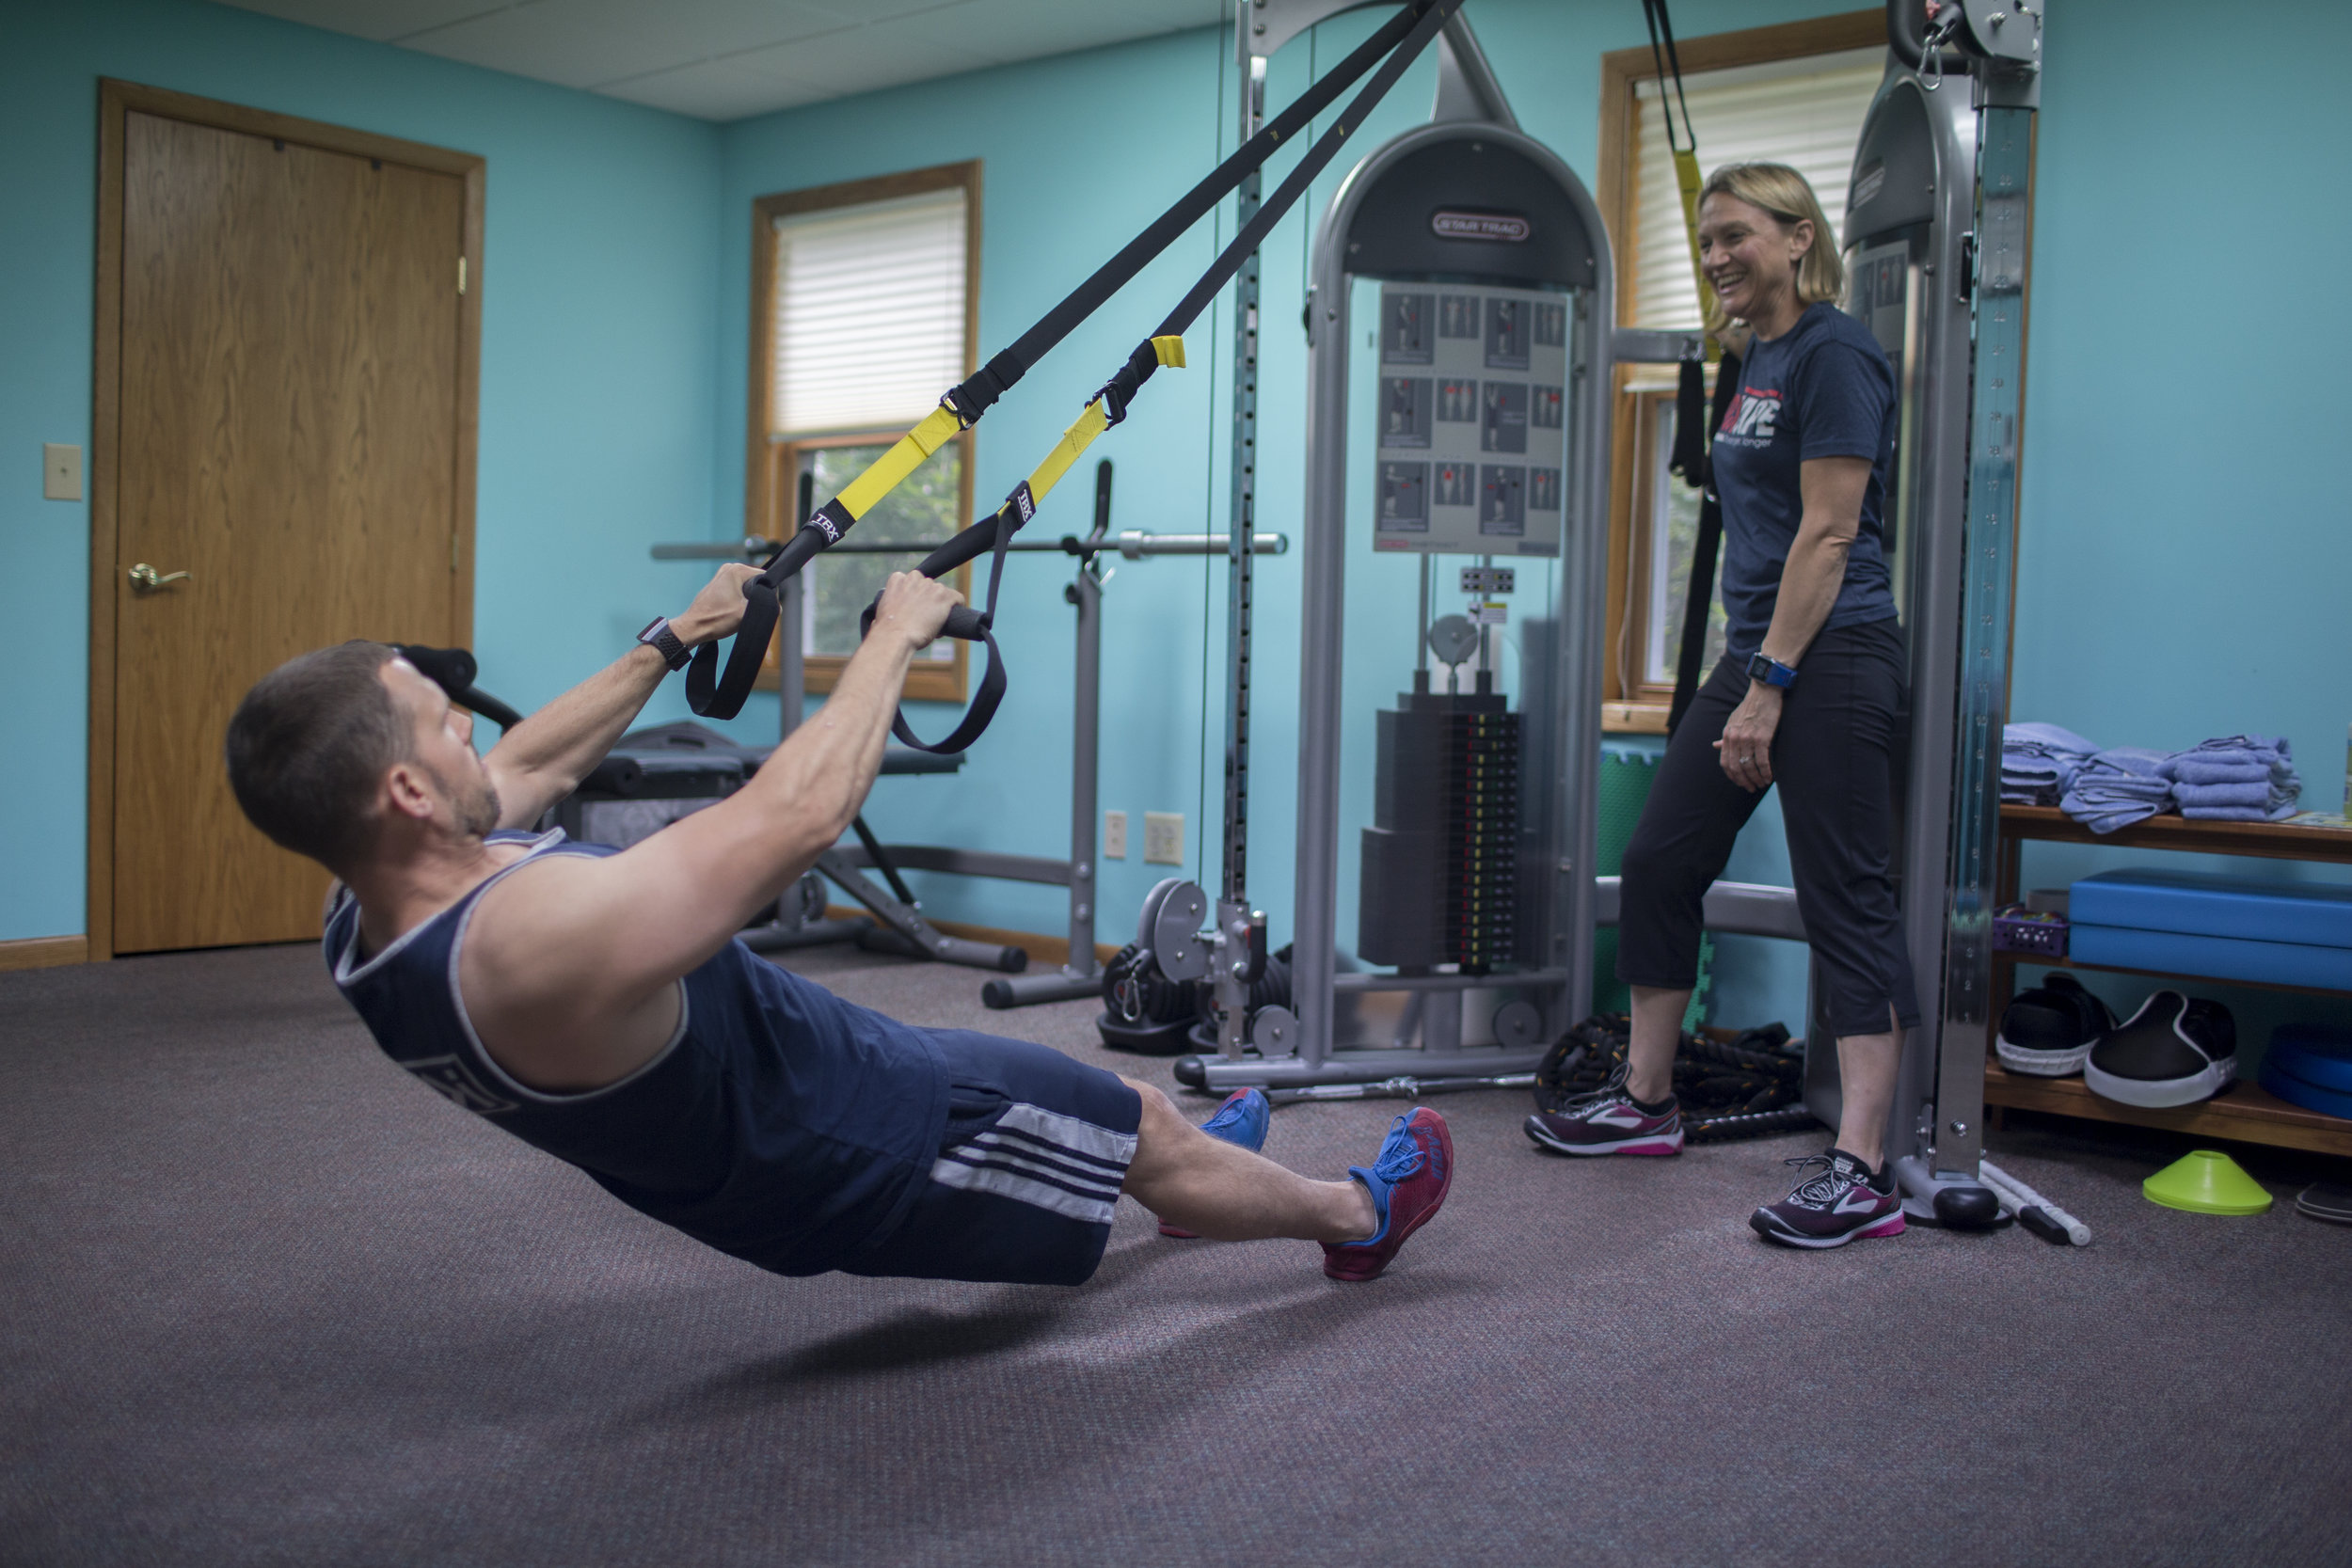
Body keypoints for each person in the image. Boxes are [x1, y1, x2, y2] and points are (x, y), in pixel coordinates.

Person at [223, 565, 1452, 1288]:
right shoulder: (527, 946)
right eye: (441, 723)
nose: (470, 731)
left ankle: (1183, 1176)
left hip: (798, 1075)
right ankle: (1354, 1217)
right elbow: (796, 815)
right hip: (856, 1140)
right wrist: (892, 636)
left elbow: (529, 763)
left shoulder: (369, 906)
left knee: (1111, 1109)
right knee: (1130, 1119)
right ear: (407, 791)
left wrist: (672, 639)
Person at [1524, 162, 1918, 1249]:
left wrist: (1770, 685)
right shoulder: (1755, 355)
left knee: (1846, 898)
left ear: (1797, 238)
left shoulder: (1834, 353)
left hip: (1830, 656)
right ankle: (1647, 1100)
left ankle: (1864, 1168)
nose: (1714, 258)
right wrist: (1748, 673)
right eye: (1703, 241)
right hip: (1755, 654)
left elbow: (1828, 534)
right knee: (1660, 860)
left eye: (1734, 235)